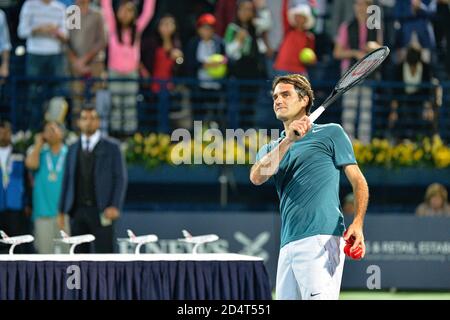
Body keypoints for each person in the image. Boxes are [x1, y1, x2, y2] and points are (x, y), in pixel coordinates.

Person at [250, 74, 369, 300]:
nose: (278, 100)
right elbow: (257, 177)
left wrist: (358, 223)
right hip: (288, 245)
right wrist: (288, 141)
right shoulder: (272, 148)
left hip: (321, 239)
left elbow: (358, 180)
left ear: (304, 100)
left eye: (286, 95)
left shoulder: (331, 133)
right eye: (275, 96)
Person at [58, 107, 127, 253]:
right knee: (78, 256)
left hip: (102, 210)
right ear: (79, 122)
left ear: (98, 122)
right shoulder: (72, 148)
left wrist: (115, 205)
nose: (89, 122)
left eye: (93, 118)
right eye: (85, 118)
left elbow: (120, 178)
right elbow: (67, 179)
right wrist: (61, 210)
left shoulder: (112, 147)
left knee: (105, 255)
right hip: (77, 211)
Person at [101, 0, 156, 137]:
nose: (125, 14)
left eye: (130, 11)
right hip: (115, 72)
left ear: (134, 14)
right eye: (122, 10)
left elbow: (148, 13)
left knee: (130, 104)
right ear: (117, 12)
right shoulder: (113, 28)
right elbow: (106, 7)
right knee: (116, 105)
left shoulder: (136, 29)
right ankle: (116, 134)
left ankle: (129, 134)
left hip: (131, 73)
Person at [17, 0, 68, 131]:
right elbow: (21, 31)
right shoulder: (29, 5)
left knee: (57, 94)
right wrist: (38, 29)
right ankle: (33, 130)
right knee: (34, 93)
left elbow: (66, 35)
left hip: (56, 55)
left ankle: (57, 129)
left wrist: (55, 31)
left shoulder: (61, 8)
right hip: (35, 54)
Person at [25, 121, 70, 253]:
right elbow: (30, 165)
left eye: (52, 129)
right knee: (44, 256)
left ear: (62, 132)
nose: (49, 133)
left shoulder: (69, 153)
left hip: (64, 214)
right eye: (45, 130)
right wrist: (39, 144)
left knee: (68, 255)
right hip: (42, 213)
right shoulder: (39, 152)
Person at [0, 121, 33, 254]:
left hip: (16, 208)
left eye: (5, 131)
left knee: (18, 246)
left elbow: (27, 181)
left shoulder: (20, 154)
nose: (2, 135)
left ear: (10, 133)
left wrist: (28, 203)